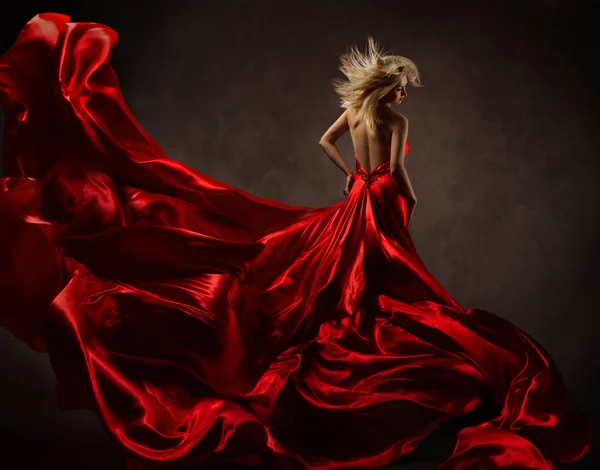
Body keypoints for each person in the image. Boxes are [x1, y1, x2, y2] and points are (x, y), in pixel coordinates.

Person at [0, 13, 591, 470]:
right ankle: (390, 378)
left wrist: (350, 180)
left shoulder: (353, 112)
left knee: (356, 285)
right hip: (382, 197)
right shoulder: (394, 121)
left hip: (356, 194)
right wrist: (400, 194)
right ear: (392, 87)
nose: (405, 97)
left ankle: (368, 356)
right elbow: (400, 173)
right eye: (403, 87)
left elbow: (324, 144)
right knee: (388, 288)